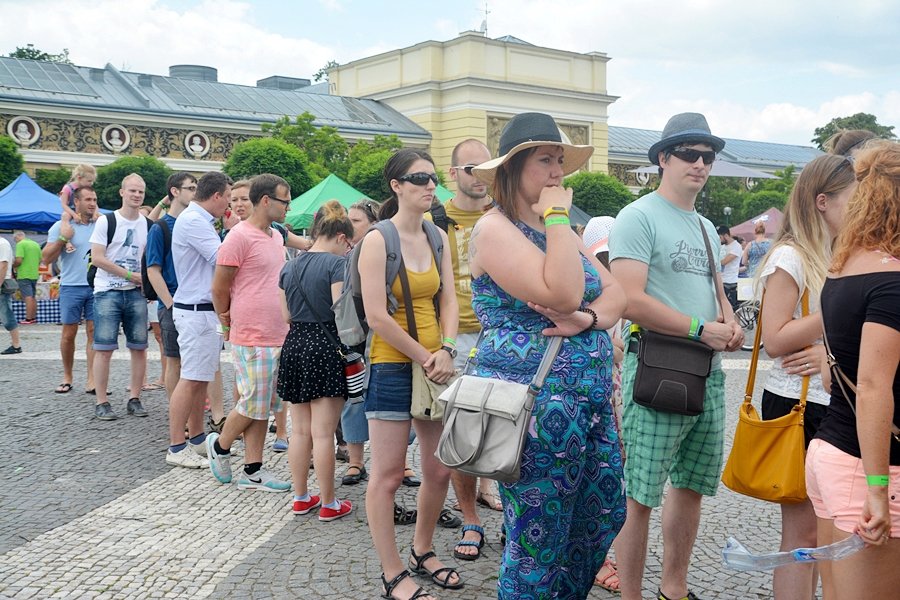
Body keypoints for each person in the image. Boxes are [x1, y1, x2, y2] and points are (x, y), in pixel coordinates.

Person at [468, 112, 627, 599]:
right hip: (537, 408)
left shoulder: (557, 229)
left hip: (590, 400)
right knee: (539, 538)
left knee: (603, 513)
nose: (558, 172)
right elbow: (561, 292)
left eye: (560, 160)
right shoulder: (495, 229)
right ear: (513, 168)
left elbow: (616, 293)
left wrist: (591, 320)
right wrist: (558, 217)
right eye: (545, 160)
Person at [609, 112, 744, 600]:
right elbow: (628, 297)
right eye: (689, 153)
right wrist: (699, 328)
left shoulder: (707, 226)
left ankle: (675, 588)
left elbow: (715, 292)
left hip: (706, 368)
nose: (701, 163)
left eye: (708, 156)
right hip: (658, 363)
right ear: (663, 158)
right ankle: (631, 595)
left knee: (691, 484)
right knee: (639, 493)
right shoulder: (638, 215)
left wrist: (731, 322)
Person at [753, 153, 856, 599]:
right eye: (853, 199)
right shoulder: (792, 256)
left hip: (825, 402)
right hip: (795, 403)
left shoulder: (838, 252)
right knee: (803, 535)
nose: (860, 208)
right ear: (822, 202)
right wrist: (839, 305)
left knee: (826, 533)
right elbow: (774, 338)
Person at [360, 149, 459, 600]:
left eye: (433, 178)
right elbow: (377, 317)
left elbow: (450, 300)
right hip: (392, 362)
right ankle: (392, 571)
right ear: (396, 185)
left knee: (439, 469)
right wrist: (426, 354)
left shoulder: (438, 236)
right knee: (388, 475)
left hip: (436, 362)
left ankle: (421, 549)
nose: (429, 185)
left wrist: (449, 348)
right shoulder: (378, 240)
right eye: (419, 178)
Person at [808, 141, 900, 600]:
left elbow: (834, 374)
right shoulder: (891, 280)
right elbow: (872, 386)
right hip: (869, 469)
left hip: (831, 452)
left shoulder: (843, 270)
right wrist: (878, 489)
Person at [206, 174, 292, 492]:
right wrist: (227, 319)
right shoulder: (238, 237)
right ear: (267, 201)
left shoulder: (275, 237)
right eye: (284, 200)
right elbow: (219, 287)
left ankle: (253, 471)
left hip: (276, 331)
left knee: (262, 408)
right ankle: (221, 446)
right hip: (252, 334)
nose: (288, 207)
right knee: (253, 401)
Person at [440, 139, 503, 565]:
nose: (477, 175)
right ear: (453, 174)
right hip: (456, 336)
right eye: (469, 168)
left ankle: (491, 490)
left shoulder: (503, 215)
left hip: (502, 335)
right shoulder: (435, 218)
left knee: (507, 428)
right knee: (462, 430)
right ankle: (469, 518)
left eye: (484, 167)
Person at [278, 199, 355, 519]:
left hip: (294, 344)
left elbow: (285, 315)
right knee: (324, 433)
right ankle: (329, 503)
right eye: (348, 243)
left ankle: (300, 497)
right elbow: (342, 314)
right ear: (339, 236)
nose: (347, 249)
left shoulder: (289, 266)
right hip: (325, 347)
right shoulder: (337, 265)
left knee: (300, 431)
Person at [164, 172, 232, 468]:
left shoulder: (198, 220)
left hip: (202, 311)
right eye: (228, 196)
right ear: (216, 195)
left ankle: (197, 438)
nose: (229, 203)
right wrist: (232, 232)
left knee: (201, 379)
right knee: (191, 379)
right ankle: (177, 446)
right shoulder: (193, 221)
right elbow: (223, 259)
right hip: (195, 311)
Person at [582, 214, 627, 593]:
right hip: (591, 395)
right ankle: (596, 557)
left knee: (611, 477)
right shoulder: (584, 287)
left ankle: (600, 551)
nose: (610, 262)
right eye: (603, 255)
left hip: (620, 395)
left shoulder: (627, 285)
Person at [89, 173, 151, 421]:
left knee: (139, 348)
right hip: (107, 291)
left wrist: (143, 280)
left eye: (141, 192)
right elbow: (98, 258)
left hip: (136, 294)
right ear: (122, 192)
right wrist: (130, 275)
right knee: (104, 348)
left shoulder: (147, 224)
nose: (137, 195)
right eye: (133, 191)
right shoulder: (107, 221)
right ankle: (102, 401)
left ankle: (134, 398)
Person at [41, 186, 98, 393]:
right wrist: (64, 238)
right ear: (76, 202)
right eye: (88, 199)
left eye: (94, 199)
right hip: (71, 286)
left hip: (95, 287)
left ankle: (92, 380)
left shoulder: (101, 224)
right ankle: (67, 375)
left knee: (94, 333)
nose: (92, 203)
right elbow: (46, 258)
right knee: (68, 334)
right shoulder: (60, 226)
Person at [12, 231, 41, 324]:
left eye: (15, 240)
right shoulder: (36, 244)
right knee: (32, 296)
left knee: (27, 296)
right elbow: (40, 259)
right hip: (34, 274)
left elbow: (19, 260)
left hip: (24, 274)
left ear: (17, 237)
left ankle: (28, 318)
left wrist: (13, 265)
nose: (15, 242)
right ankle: (33, 318)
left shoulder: (20, 244)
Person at [0, 235, 22, 355]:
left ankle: (16, 344)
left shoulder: (2, 244)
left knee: (6, 314)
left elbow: (3, 264)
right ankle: (16, 344)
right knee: (5, 313)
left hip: (3, 283)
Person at [717, 225, 742, 311]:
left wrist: (714, 263)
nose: (719, 239)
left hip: (729, 280)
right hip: (721, 279)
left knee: (726, 306)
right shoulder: (723, 246)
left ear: (726, 236)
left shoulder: (736, 246)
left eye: (720, 237)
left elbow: (724, 261)